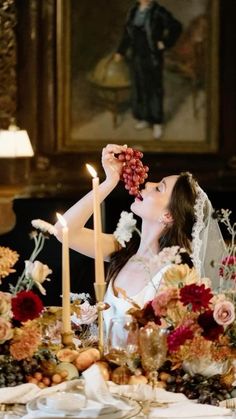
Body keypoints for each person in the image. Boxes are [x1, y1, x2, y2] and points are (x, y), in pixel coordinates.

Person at [54, 144, 226, 337]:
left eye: (159, 188)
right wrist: (109, 181)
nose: (148, 184)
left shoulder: (174, 275)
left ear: (168, 215)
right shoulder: (122, 249)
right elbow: (64, 231)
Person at [114, 0, 182, 139]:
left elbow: (176, 27)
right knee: (139, 86)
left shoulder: (158, 11)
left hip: (152, 56)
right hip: (136, 55)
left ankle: (157, 122)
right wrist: (120, 51)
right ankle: (144, 117)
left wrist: (164, 42)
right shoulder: (133, 11)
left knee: (154, 88)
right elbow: (127, 34)